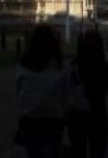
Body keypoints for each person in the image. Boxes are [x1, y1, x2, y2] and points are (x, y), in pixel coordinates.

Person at [15, 24, 69, 158]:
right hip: (52, 124)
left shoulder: (23, 67)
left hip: (29, 123)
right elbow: (65, 97)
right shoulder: (59, 68)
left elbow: (19, 93)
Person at [67, 31, 108, 158]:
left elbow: (65, 95)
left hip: (77, 118)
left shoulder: (74, 68)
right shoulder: (107, 70)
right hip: (98, 118)